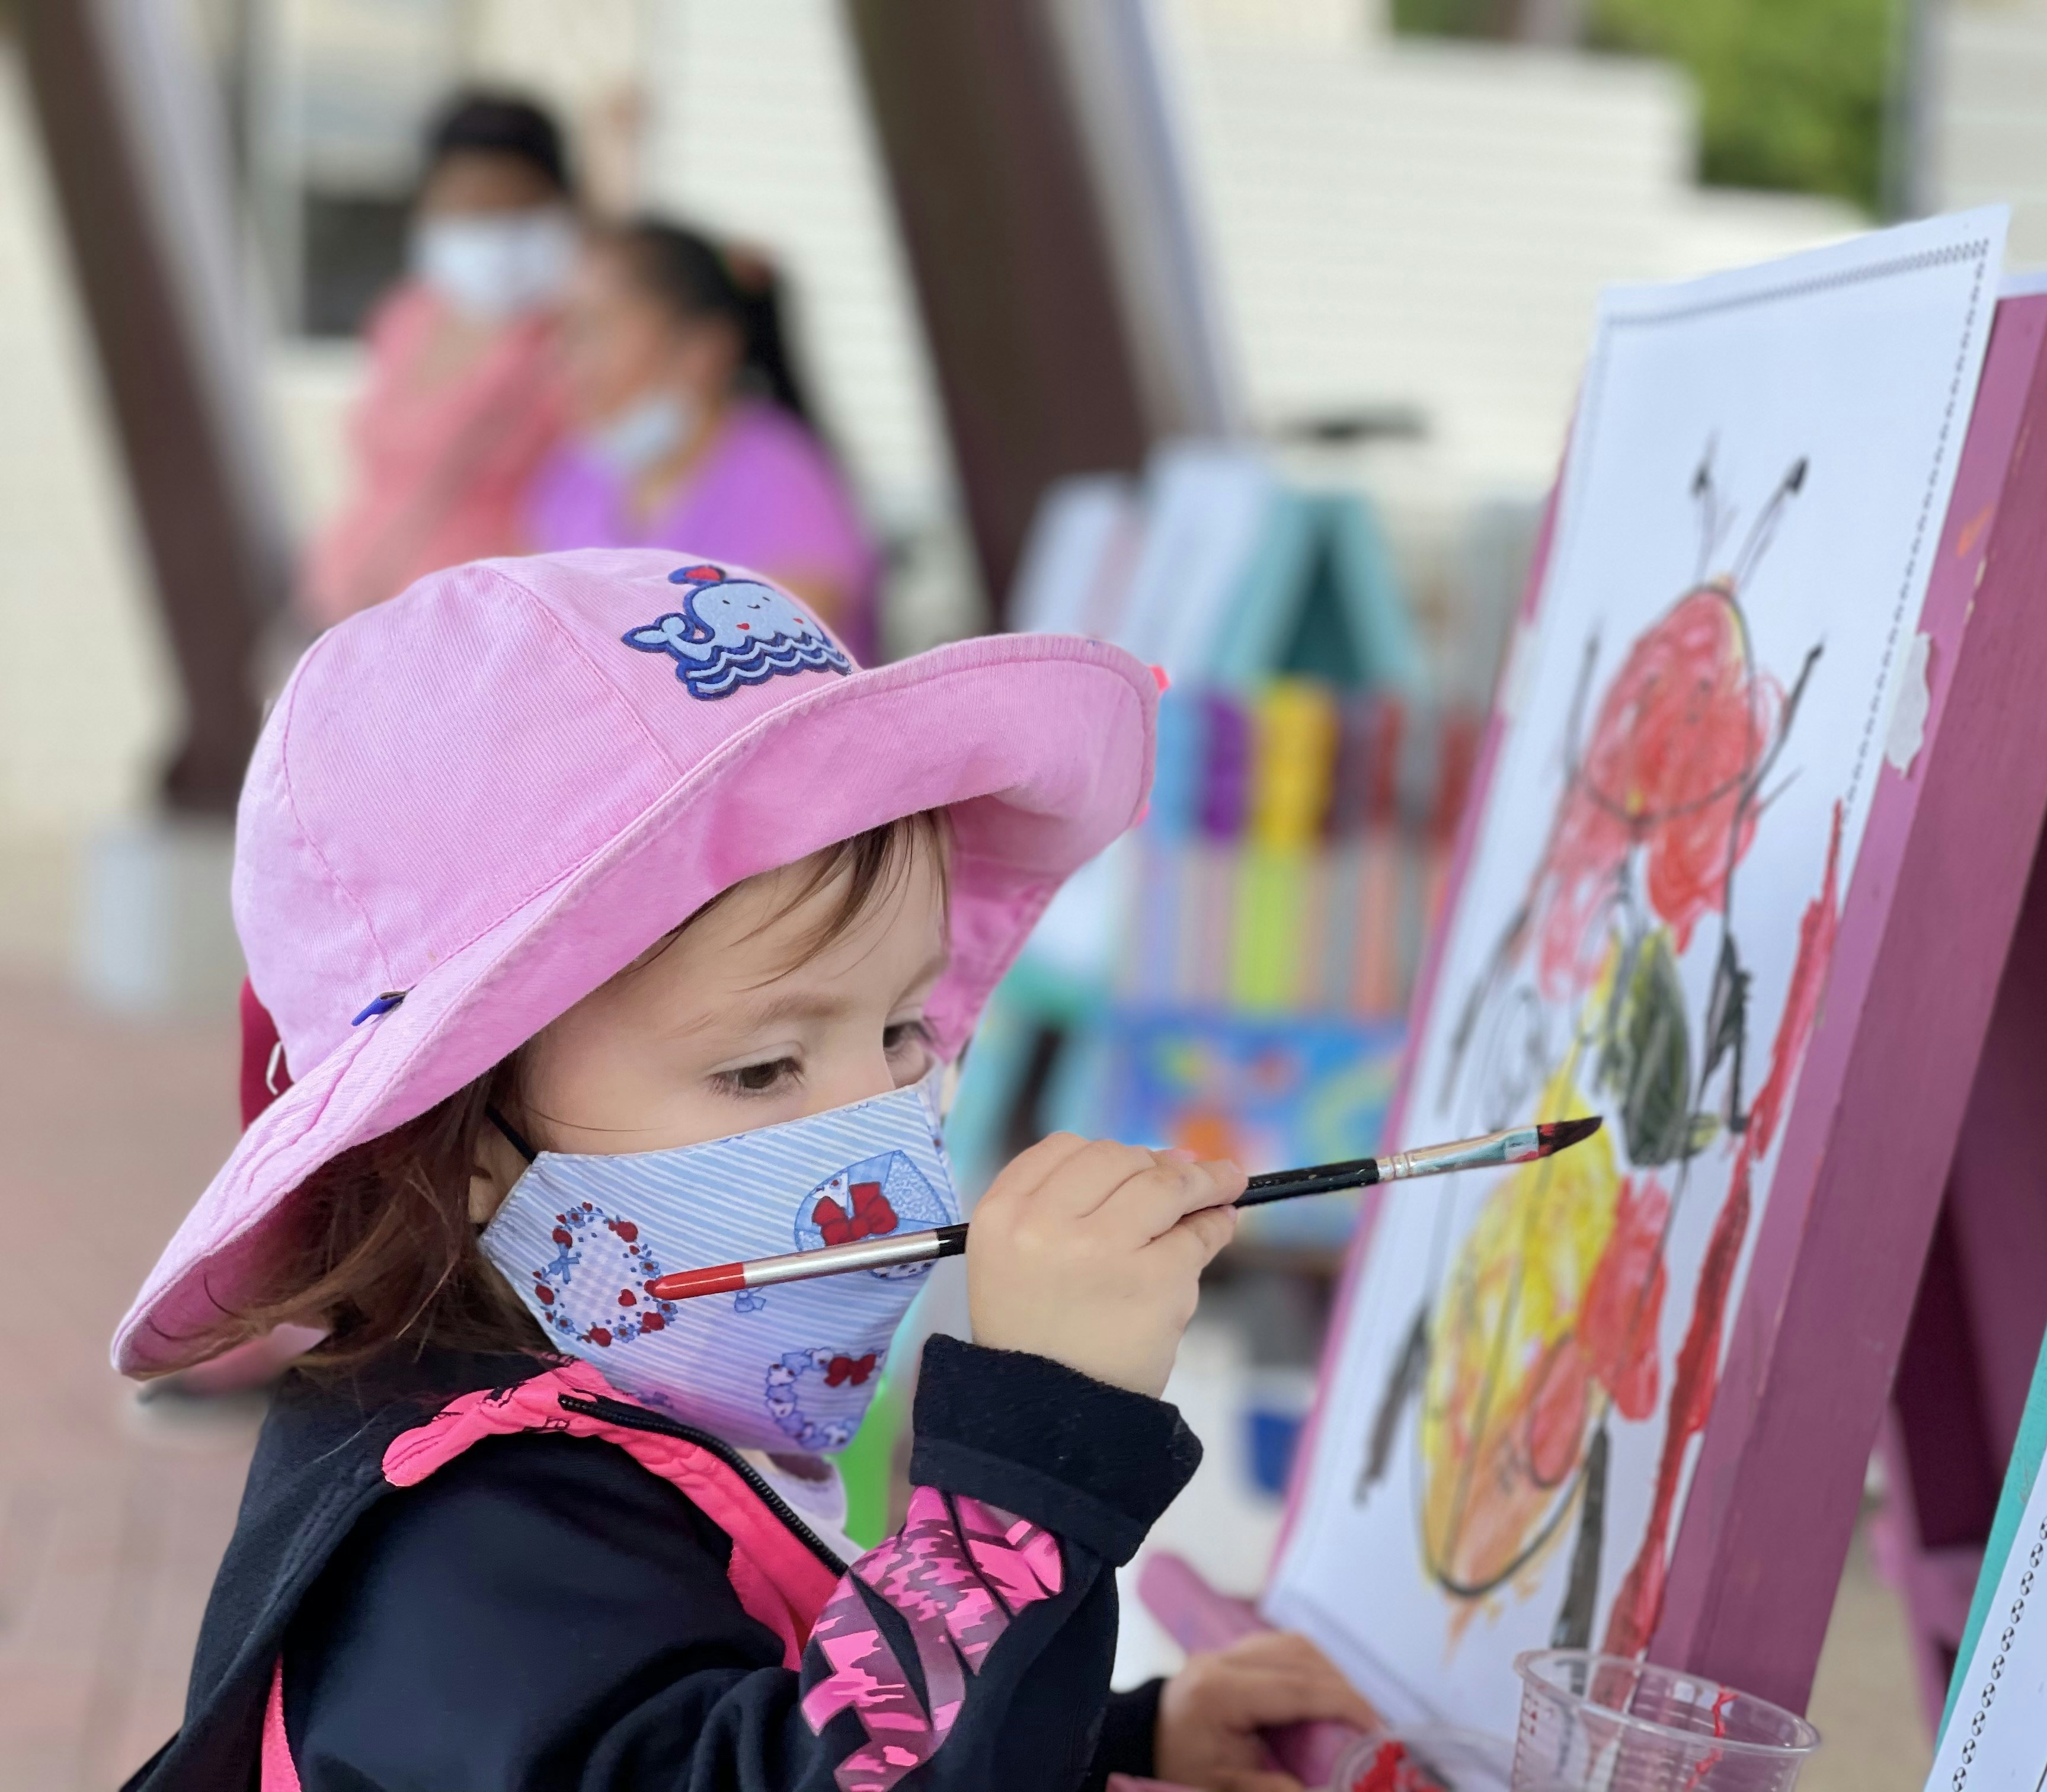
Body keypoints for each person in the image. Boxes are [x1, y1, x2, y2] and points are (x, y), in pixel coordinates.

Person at [115, 549, 1371, 1791]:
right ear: (458, 1143)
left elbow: (761, 1717)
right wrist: (1041, 1448)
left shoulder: (614, 1412)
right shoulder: (465, 1535)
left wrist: (1114, 1740)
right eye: (764, 1070)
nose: (879, 1123)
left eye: (899, 1035)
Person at [526, 220, 881, 660]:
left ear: (702, 348)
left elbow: (782, 658)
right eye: (562, 330)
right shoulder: (575, 478)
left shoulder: (783, 482)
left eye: (593, 329)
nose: (562, 356)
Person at [300, 93, 580, 627]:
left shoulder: (570, 339)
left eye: (514, 211)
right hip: (348, 609)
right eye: (469, 209)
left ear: (559, 212)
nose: (491, 231)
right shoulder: (407, 316)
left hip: (483, 631)